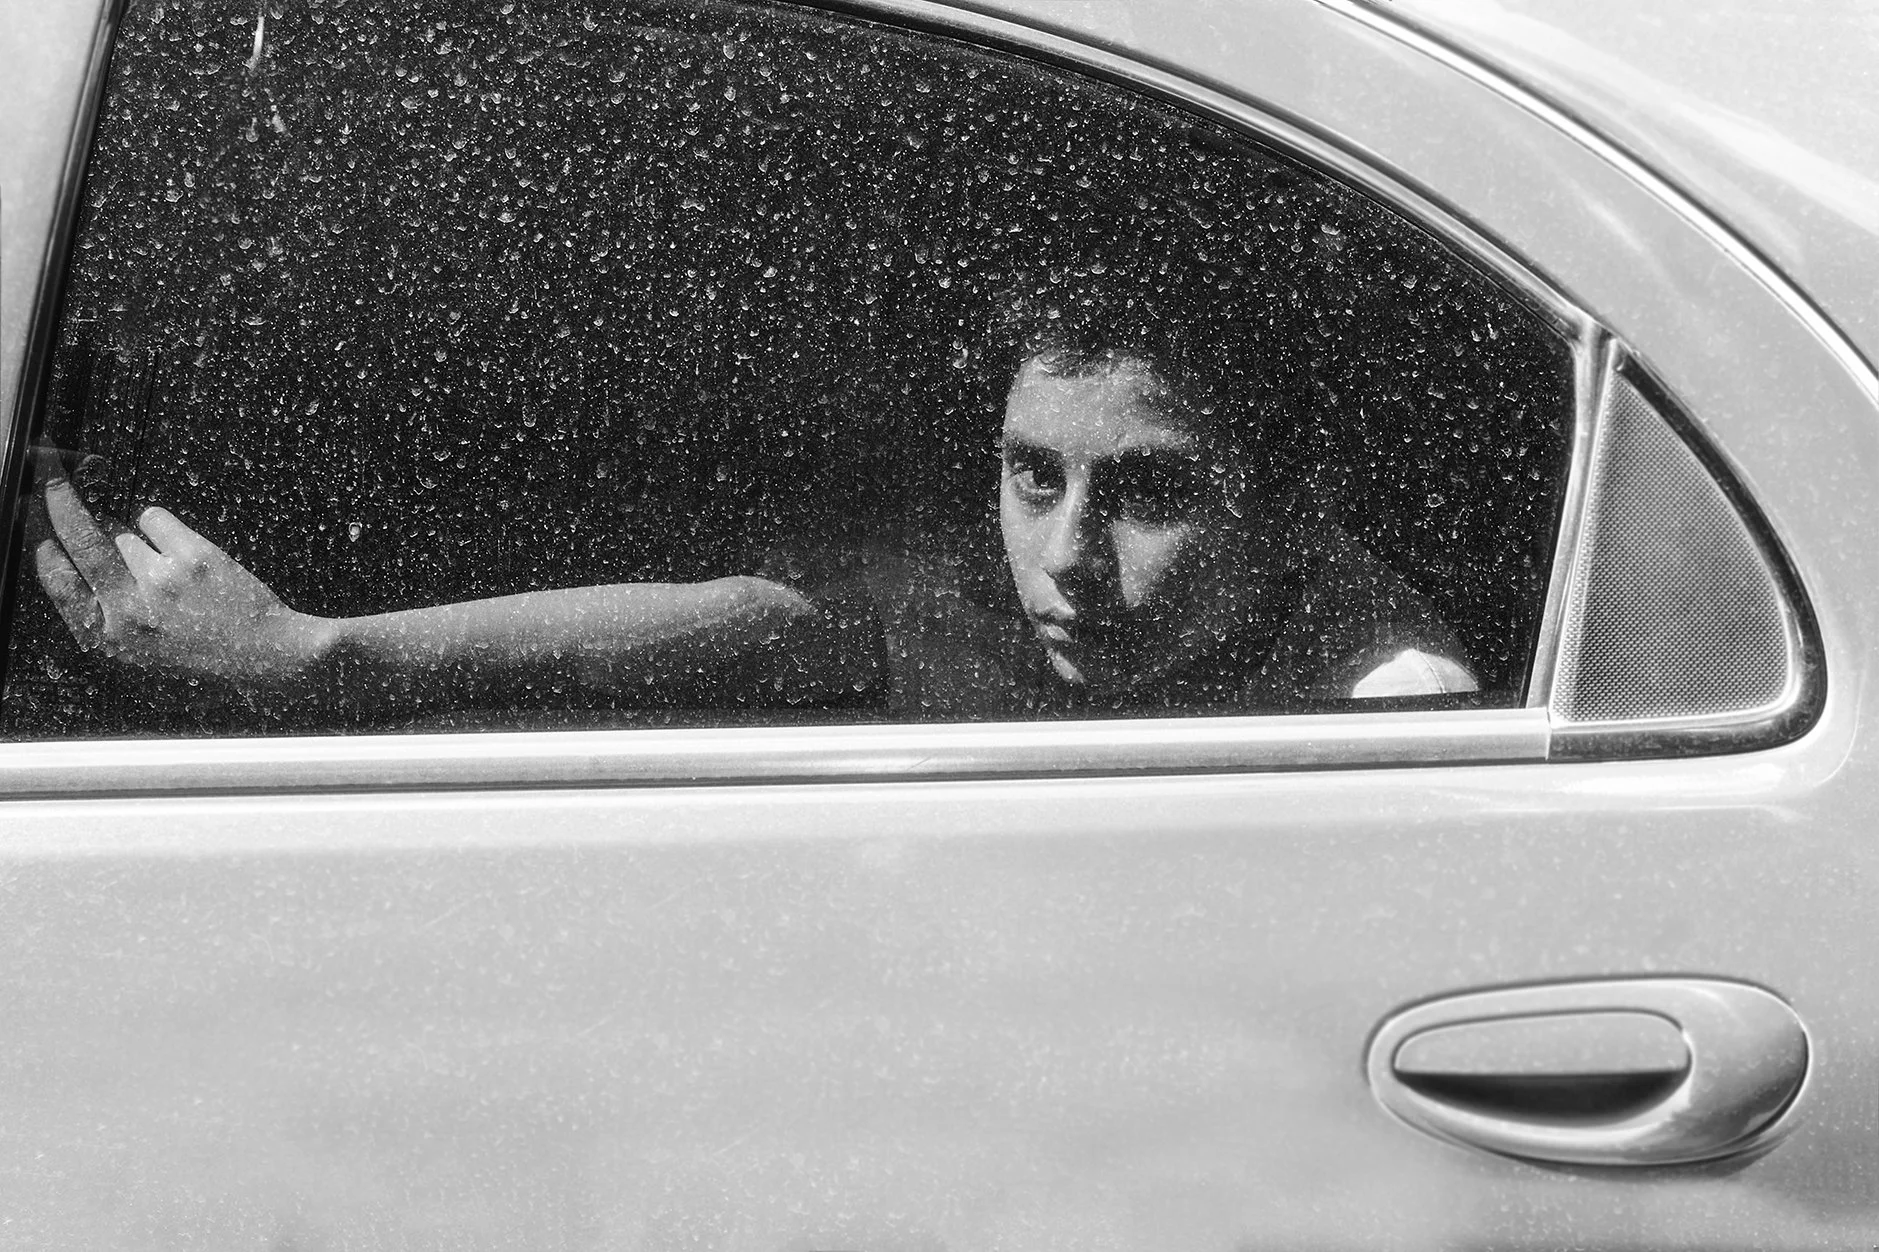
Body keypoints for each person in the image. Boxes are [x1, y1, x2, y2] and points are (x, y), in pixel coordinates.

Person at [29, 256, 1476, 722]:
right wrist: (316, 653)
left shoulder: (1391, 705)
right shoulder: (1044, 596)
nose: (1066, 557)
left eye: (1149, 494)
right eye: (1030, 476)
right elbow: (761, 622)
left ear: (1295, 503)